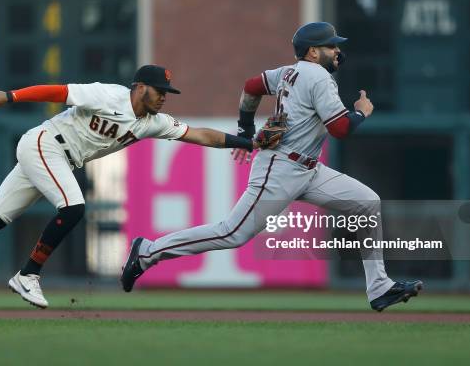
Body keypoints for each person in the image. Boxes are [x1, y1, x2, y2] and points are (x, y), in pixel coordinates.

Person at [0, 65, 272, 309]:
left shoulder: (153, 122)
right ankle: (28, 274)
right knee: (75, 207)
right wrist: (12, 96)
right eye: (158, 90)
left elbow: (199, 134)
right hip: (45, 144)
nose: (163, 96)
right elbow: (57, 91)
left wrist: (248, 142)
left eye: (166, 92)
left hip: (59, 158)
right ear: (139, 86)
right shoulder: (108, 94)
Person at [120, 23, 423, 311]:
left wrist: (244, 129)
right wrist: (362, 113)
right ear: (313, 52)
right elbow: (341, 129)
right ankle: (148, 251)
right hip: (280, 167)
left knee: (367, 203)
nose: (336, 51)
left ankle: (380, 287)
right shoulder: (318, 76)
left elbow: (251, 86)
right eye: (330, 46)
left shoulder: (289, 72)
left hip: (308, 169)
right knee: (232, 233)